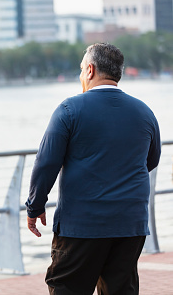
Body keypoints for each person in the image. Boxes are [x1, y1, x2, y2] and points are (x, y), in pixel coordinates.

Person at [25, 43, 161, 294]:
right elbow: (151, 161)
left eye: (80, 69)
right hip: (130, 224)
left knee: (67, 287)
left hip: (82, 225)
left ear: (89, 69)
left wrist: (35, 205)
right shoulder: (145, 112)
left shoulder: (69, 110)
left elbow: (46, 163)